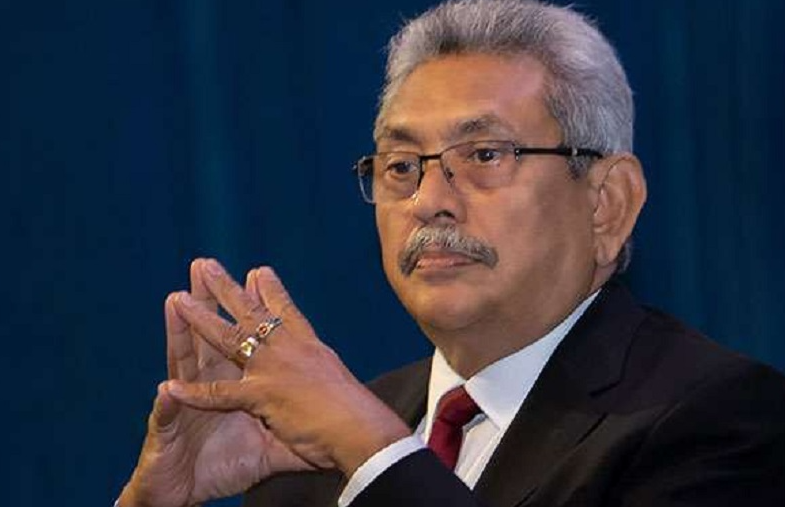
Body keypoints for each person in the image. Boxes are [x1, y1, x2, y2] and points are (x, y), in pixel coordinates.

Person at [116, 1, 785, 506]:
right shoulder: (305, 448)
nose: (429, 200)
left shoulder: (720, 419)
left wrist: (373, 450)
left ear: (606, 201)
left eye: (485, 155)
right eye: (401, 165)